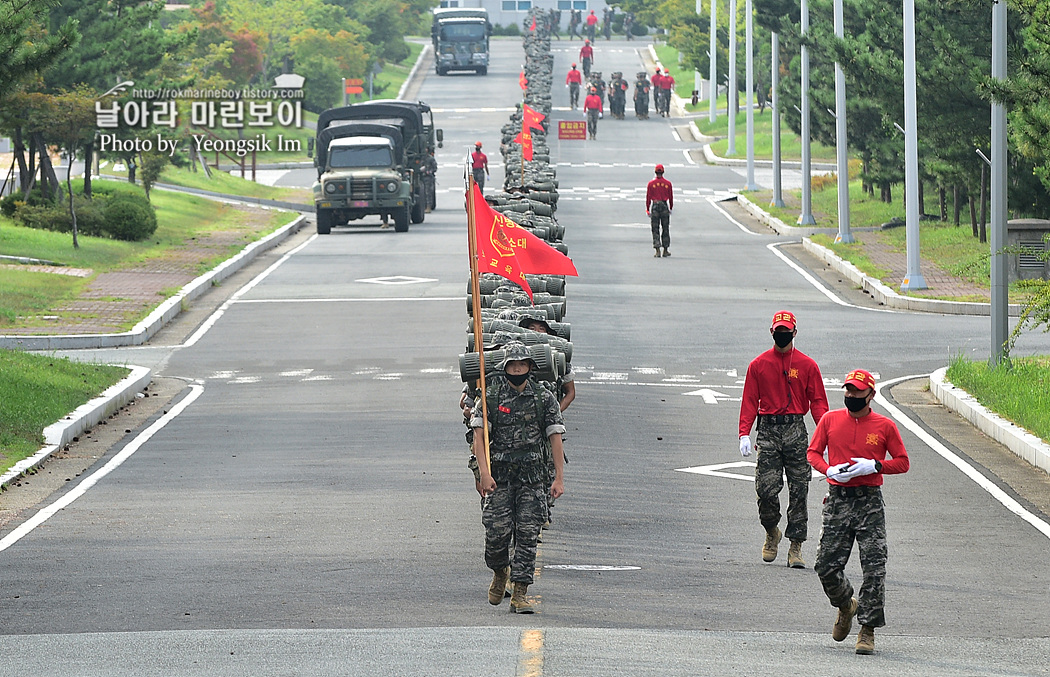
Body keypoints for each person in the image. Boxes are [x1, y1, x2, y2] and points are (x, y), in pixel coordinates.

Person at [807, 369, 910, 655]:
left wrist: (876, 466)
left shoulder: (884, 426)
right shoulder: (830, 420)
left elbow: (902, 462)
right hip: (838, 500)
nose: (851, 396)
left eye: (857, 392)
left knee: (875, 568)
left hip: (869, 502)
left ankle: (867, 629)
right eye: (848, 391)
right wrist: (828, 469)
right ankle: (845, 605)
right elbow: (812, 452)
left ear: (870, 395)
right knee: (826, 566)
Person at [473, 342, 566, 614]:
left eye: (522, 365)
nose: (517, 369)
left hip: (532, 479)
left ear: (530, 367)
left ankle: (520, 592)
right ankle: (500, 570)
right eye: (512, 365)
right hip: (499, 479)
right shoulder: (490, 397)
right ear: (505, 368)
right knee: (496, 534)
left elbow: (555, 437)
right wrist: (484, 474)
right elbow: (479, 437)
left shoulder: (543, 397)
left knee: (527, 535)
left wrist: (558, 477)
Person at [738, 310, 830, 567]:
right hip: (768, 430)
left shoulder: (807, 366)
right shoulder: (758, 365)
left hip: (795, 430)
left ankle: (796, 546)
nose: (782, 335)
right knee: (765, 490)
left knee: (799, 489)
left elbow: (818, 402)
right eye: (778, 331)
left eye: (786, 331)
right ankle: (771, 531)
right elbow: (749, 401)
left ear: (795, 333)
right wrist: (744, 432)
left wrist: (828, 434)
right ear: (771, 332)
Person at [645, 164, 673, 257]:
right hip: (664, 205)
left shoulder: (651, 184)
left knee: (655, 228)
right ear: (663, 172)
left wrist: (648, 208)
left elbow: (648, 197)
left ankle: (657, 250)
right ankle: (665, 249)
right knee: (665, 228)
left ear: (655, 172)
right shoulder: (668, 184)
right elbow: (670, 197)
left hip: (655, 206)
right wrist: (671, 208)